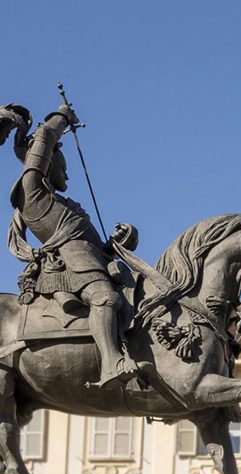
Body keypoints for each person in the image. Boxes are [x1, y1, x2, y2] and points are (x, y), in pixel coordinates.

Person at [4, 103, 141, 389]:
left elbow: (95, 247)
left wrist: (117, 243)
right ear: (49, 163)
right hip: (71, 265)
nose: (67, 174)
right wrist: (63, 116)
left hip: (90, 261)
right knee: (105, 298)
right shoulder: (33, 194)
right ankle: (112, 363)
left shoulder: (64, 205)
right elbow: (44, 139)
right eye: (64, 167)